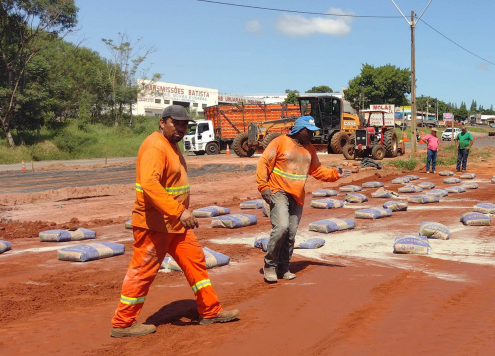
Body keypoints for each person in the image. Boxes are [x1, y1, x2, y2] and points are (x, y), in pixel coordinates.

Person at [111, 105, 239, 338]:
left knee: (195, 261)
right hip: (154, 223)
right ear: (162, 122)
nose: (181, 128)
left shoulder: (171, 145)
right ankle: (123, 323)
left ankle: (210, 311)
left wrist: (178, 214)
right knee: (143, 271)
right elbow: (150, 185)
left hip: (175, 223)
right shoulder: (154, 146)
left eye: (184, 125)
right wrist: (179, 211)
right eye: (176, 123)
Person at [257, 116, 341, 283]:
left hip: (297, 195)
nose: (312, 135)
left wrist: (335, 173)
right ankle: (270, 265)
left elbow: (317, 170)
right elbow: (264, 162)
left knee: (290, 233)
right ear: (300, 130)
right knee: (281, 227)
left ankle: (283, 267)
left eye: (313, 132)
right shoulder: (280, 142)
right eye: (309, 132)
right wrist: (263, 186)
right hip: (277, 190)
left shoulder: (310, 149)